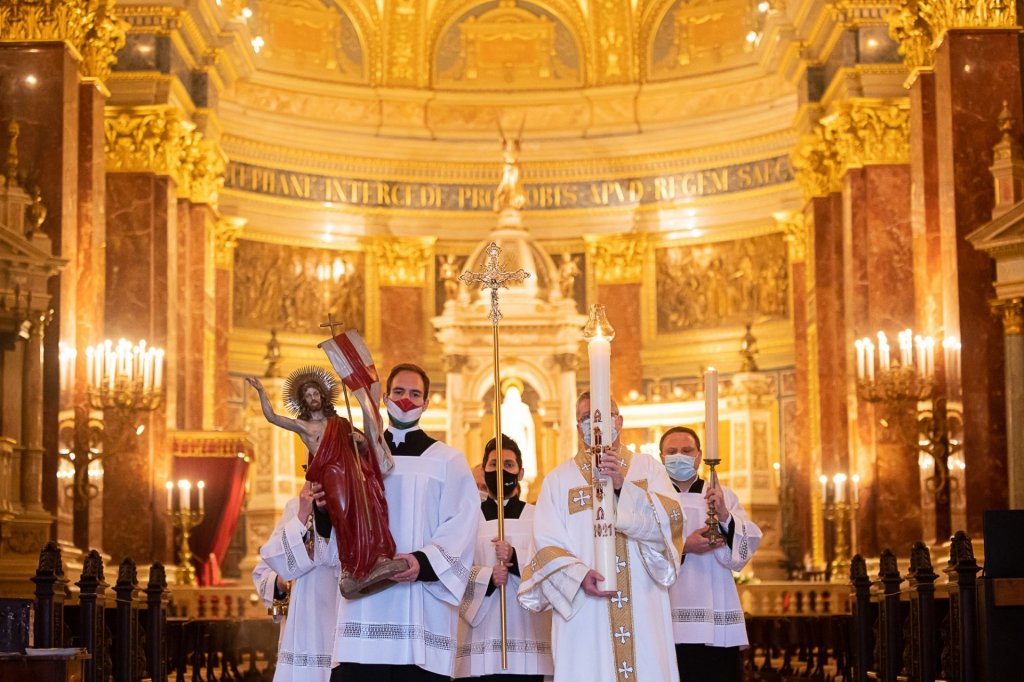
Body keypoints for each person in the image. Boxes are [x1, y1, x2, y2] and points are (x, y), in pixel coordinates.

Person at [328, 362, 480, 681]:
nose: (406, 400)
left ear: (426, 403)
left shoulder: (447, 460)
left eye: (415, 393)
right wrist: (323, 505)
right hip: (364, 605)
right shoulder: (358, 456)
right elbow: (340, 520)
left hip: (420, 606)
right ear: (384, 397)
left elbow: (462, 524)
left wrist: (421, 562)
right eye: (398, 391)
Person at [518, 393, 685, 682]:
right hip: (584, 605)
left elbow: (672, 522)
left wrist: (623, 487)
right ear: (577, 425)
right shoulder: (559, 480)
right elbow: (545, 542)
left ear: (619, 421)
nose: (593, 424)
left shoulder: (648, 469)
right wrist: (578, 576)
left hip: (643, 604)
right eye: (585, 418)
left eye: (602, 415)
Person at [247, 366, 402, 598]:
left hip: (350, 474)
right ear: (302, 401)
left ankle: (377, 555)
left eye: (315, 393)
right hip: (331, 477)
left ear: (322, 395)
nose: (313, 398)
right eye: (308, 395)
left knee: (367, 508)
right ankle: (350, 566)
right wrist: (261, 391)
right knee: (342, 515)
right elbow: (272, 417)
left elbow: (362, 446)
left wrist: (359, 440)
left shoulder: (338, 423)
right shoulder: (304, 427)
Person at [659, 426, 762, 682]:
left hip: (715, 615)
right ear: (661, 457)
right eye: (671, 452)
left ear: (700, 454)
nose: (679, 456)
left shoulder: (720, 494)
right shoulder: (653, 498)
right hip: (665, 615)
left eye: (686, 450)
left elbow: (742, 551)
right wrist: (684, 547)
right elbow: (639, 551)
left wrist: (725, 516)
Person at [455, 435, 553, 681]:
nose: (500, 471)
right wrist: (487, 577)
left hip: (527, 634)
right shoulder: (467, 517)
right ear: (484, 470)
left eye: (508, 465)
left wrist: (515, 559)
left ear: (521, 473)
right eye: (493, 464)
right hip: (480, 637)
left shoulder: (539, 516)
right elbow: (452, 567)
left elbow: (554, 564)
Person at [257, 482, 341, 682]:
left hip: (339, 615)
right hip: (303, 620)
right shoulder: (295, 507)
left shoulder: (356, 505)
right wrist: (279, 582)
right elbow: (266, 566)